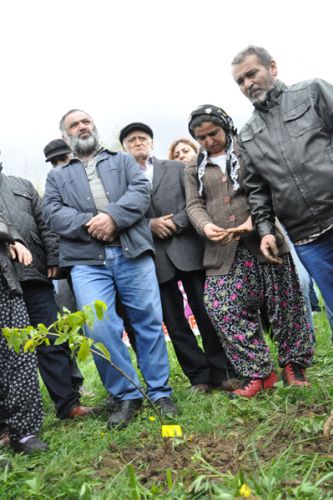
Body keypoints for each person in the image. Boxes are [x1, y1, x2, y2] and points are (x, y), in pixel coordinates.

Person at [43, 109, 177, 428]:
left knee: (148, 320)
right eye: (74, 124)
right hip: (88, 262)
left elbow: (140, 192)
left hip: (132, 251)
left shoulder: (122, 161)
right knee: (99, 328)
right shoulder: (57, 176)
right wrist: (93, 224)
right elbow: (52, 213)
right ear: (66, 136)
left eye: (86, 121)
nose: (82, 126)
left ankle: (160, 392)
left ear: (94, 127)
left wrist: (114, 217)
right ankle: (125, 394)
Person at [185, 104, 314, 398]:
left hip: (263, 240)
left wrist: (254, 220)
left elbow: (270, 187)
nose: (208, 141)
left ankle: (294, 365)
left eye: (213, 133)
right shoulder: (193, 167)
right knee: (221, 307)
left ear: (226, 127)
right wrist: (205, 227)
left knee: (285, 304)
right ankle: (259, 372)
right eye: (200, 137)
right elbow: (193, 205)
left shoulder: (248, 150)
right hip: (223, 250)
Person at [120, 122, 238, 393]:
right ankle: (199, 377)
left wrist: (177, 223)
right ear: (125, 148)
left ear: (151, 143)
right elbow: (122, 216)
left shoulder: (177, 168)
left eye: (142, 138)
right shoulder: (120, 181)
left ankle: (223, 372)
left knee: (206, 312)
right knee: (174, 321)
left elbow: (196, 203)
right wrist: (149, 225)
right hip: (151, 258)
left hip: (188, 249)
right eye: (132, 140)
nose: (138, 143)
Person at [231, 45, 333, 321]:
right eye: (240, 81)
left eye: (251, 74)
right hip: (307, 238)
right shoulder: (248, 135)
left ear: (272, 68)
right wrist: (265, 230)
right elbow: (257, 191)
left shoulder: (313, 92)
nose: (247, 84)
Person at [0, 162, 93, 420]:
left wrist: (53, 257)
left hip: (34, 274)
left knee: (52, 338)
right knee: (8, 351)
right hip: (2, 282)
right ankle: (11, 419)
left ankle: (68, 404)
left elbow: (45, 224)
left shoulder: (22, 185)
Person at [0, 209, 48, 454]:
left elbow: (4, 221)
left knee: (20, 356)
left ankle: (24, 432)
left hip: (5, 283)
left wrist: (15, 240)